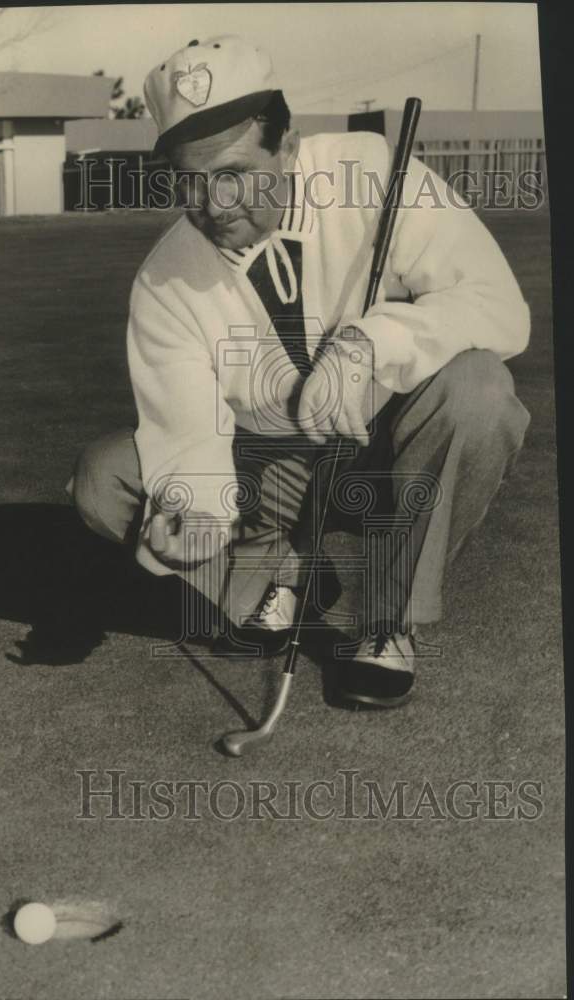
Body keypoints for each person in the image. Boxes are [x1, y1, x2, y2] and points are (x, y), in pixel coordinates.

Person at [67, 35, 530, 707]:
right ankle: (278, 576)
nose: (212, 202)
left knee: (478, 390)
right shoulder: (164, 282)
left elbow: (498, 307)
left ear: (287, 149)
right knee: (103, 481)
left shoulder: (372, 174)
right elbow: (187, 433)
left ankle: (384, 622)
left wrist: (371, 344)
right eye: (189, 177)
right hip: (272, 474)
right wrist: (191, 515)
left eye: (232, 172)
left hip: (390, 453)